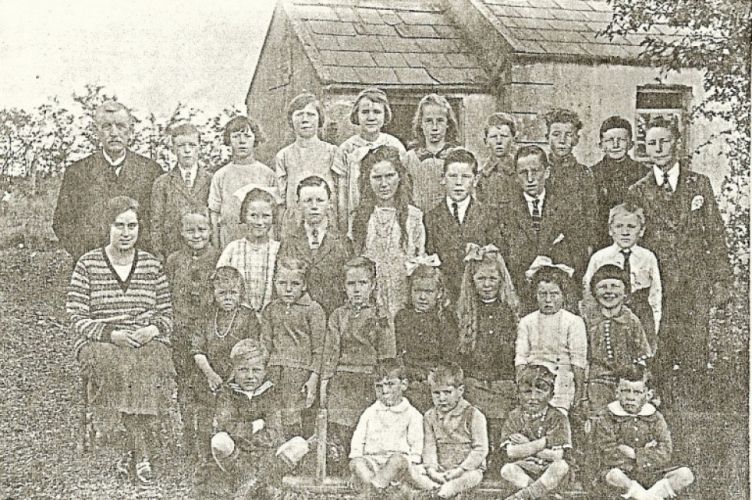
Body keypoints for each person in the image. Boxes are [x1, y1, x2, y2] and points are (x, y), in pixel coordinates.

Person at [66, 196, 173, 484]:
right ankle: (139, 448)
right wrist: (111, 334)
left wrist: (153, 330)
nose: (126, 233)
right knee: (115, 363)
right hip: (102, 338)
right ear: (107, 227)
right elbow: (75, 314)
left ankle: (130, 446)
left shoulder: (151, 265)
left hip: (143, 336)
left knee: (153, 360)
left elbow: (166, 312)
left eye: (132, 226)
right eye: (119, 225)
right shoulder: (88, 264)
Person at [628, 115, 732, 406]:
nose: (658, 148)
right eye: (651, 143)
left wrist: (722, 280)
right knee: (657, 356)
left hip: (694, 286)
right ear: (645, 149)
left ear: (676, 142)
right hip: (656, 289)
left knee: (694, 357)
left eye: (663, 141)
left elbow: (716, 235)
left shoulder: (699, 184)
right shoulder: (638, 190)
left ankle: (692, 424)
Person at [54, 100, 163, 262]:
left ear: (130, 130)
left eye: (120, 126)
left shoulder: (151, 171)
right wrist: (87, 255)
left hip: (138, 265)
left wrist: (142, 255)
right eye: (106, 126)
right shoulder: (77, 172)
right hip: (92, 266)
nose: (113, 133)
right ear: (96, 131)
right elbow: (62, 222)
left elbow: (158, 221)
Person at [321, 256, 393, 471]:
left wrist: (385, 384)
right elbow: (331, 352)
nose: (357, 290)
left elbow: (387, 356)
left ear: (372, 285)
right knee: (339, 424)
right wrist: (325, 382)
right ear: (344, 286)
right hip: (342, 378)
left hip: (370, 379)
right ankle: (340, 464)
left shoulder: (380, 315)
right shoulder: (338, 316)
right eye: (351, 284)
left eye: (362, 283)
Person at [194, 340, 288, 500]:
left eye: (256, 370)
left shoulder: (270, 393)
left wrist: (248, 437)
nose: (250, 376)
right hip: (236, 455)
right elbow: (226, 426)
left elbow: (274, 431)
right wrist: (254, 426)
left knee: (298, 444)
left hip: (264, 455)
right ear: (234, 370)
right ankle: (250, 481)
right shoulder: (227, 393)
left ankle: (257, 482)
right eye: (243, 370)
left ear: (265, 371)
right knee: (219, 441)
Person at [455, 244, 519, 469]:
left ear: (502, 279)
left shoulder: (510, 311)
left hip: (503, 381)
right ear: (472, 280)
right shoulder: (465, 312)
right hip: (475, 381)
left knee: (503, 410)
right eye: (481, 279)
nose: (487, 284)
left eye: (493, 278)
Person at [590, 365, 695, 500]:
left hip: (653, 473)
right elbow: (608, 453)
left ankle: (645, 497)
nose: (630, 397)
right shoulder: (606, 416)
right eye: (625, 391)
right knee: (613, 476)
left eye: (637, 392)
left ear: (648, 395)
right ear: (617, 392)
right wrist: (647, 453)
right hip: (624, 475)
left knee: (685, 475)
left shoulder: (655, 417)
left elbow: (665, 451)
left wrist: (635, 454)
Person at [164, 212, 220, 460]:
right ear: (181, 232)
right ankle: (188, 431)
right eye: (190, 231)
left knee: (207, 384)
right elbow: (167, 294)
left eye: (202, 230)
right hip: (181, 330)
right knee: (185, 383)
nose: (197, 236)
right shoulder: (174, 260)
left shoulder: (217, 257)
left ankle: (205, 436)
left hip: (208, 332)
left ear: (210, 230)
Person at [190, 266, 262, 457]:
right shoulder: (205, 316)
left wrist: (234, 377)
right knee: (205, 412)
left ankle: (236, 452)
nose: (228, 297)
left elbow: (251, 349)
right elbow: (197, 350)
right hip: (208, 375)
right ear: (213, 293)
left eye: (233, 293)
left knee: (234, 414)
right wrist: (211, 375)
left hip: (238, 375)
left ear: (241, 293)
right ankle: (205, 455)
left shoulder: (247, 316)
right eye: (222, 293)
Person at [352, 145, 426, 328]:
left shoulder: (414, 217)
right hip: (371, 302)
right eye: (377, 178)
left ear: (400, 177)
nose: (384, 184)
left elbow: (420, 262)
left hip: (404, 301)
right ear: (367, 181)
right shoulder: (360, 218)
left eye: (389, 176)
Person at [501, 145, 581, 310]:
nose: (530, 178)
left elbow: (576, 251)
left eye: (535, 171)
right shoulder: (505, 210)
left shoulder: (566, 207)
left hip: (558, 294)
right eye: (523, 173)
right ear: (516, 176)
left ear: (547, 172)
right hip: (520, 293)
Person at [425, 147, 505, 302]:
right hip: (445, 299)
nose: (459, 183)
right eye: (453, 176)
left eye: (466, 176)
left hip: (479, 298)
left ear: (475, 180)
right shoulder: (430, 218)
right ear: (443, 178)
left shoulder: (489, 216)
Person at [260, 257, 327, 438]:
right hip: (273, 372)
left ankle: (295, 458)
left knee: (293, 418)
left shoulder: (313, 309)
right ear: (274, 283)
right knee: (273, 416)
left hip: (299, 373)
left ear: (304, 285)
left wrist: (313, 379)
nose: (288, 289)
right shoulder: (271, 309)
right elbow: (265, 344)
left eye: (295, 283)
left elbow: (319, 349)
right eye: (282, 283)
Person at [583, 203, 662, 350]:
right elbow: (588, 293)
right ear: (610, 230)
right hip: (608, 315)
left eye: (631, 227)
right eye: (619, 226)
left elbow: (655, 295)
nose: (625, 232)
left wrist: (653, 327)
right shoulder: (599, 258)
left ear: (642, 230)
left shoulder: (648, 257)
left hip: (641, 316)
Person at [332, 87, 407, 235]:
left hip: (389, 217)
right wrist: (343, 227)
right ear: (356, 115)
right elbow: (342, 194)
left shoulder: (395, 146)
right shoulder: (346, 149)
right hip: (356, 215)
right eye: (365, 112)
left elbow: (403, 187)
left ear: (385, 115)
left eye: (377, 112)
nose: (371, 117)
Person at [515, 263, 587, 413]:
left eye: (554, 294)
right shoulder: (527, 321)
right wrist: (522, 387)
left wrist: (580, 391)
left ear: (563, 295)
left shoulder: (573, 322)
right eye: (543, 294)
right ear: (535, 295)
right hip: (533, 382)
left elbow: (578, 360)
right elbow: (521, 357)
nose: (548, 300)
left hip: (562, 382)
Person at [349, 359, 425, 497]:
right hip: (373, 463)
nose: (384, 391)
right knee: (356, 462)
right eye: (379, 386)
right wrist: (357, 457)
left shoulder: (412, 414)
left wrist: (413, 464)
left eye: (390, 384)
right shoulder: (370, 412)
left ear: (403, 385)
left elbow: (417, 445)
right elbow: (358, 439)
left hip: (397, 467)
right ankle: (377, 490)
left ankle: (371, 493)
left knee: (397, 460)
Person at [278, 175, 352, 315]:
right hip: (298, 321)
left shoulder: (343, 242)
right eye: (307, 201)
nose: (314, 206)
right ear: (298, 203)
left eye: (319, 200)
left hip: (333, 317)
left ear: (329, 203)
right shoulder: (289, 242)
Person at [584, 264, 652, 411]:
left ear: (625, 292)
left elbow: (642, 354)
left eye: (614, 286)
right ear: (594, 292)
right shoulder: (588, 320)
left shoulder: (631, 320)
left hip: (626, 381)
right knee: (599, 415)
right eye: (603, 287)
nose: (609, 292)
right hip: (597, 380)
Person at [395, 257, 458, 412]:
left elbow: (449, 357)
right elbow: (398, 352)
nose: (422, 297)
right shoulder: (402, 317)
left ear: (439, 293)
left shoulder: (444, 319)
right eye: (417, 291)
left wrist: (435, 377)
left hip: (435, 380)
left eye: (428, 292)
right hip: (408, 379)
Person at [499, 364, 572, 500]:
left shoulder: (558, 418)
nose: (533, 397)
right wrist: (544, 443)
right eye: (527, 391)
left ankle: (522, 497)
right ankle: (545, 497)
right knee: (507, 470)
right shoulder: (514, 416)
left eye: (540, 392)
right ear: (518, 394)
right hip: (525, 467)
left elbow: (557, 456)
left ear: (551, 395)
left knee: (561, 466)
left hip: (550, 470)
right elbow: (511, 452)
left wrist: (527, 444)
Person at [417, 362, 489, 499]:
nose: (442, 398)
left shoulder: (473, 415)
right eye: (436, 393)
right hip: (440, 470)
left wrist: (460, 470)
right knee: (417, 474)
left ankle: (441, 495)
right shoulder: (429, 417)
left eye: (447, 392)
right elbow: (429, 447)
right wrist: (432, 471)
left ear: (460, 390)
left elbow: (480, 450)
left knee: (471, 477)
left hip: (466, 470)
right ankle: (435, 490)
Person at [208, 115, 279, 248]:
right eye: (236, 136)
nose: (242, 141)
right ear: (228, 140)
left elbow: (276, 215)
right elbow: (214, 215)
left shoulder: (268, 174)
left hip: (262, 245)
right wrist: (217, 249)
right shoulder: (220, 176)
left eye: (247, 136)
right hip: (229, 241)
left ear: (255, 139)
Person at [275, 92, 341, 235]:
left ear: (319, 119)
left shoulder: (332, 152)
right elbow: (280, 198)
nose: (305, 120)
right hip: (295, 222)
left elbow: (340, 191)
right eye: (299, 114)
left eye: (310, 115)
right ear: (291, 120)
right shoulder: (284, 155)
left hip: (327, 219)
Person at [542, 108, 598, 267]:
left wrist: (588, 246)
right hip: (543, 245)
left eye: (568, 135)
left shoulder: (583, 174)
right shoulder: (538, 170)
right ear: (547, 137)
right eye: (556, 134)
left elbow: (591, 214)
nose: (562, 140)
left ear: (576, 139)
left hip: (574, 248)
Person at [150, 122, 213, 259]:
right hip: (173, 254)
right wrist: (159, 254)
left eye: (192, 145)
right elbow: (156, 224)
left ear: (199, 147)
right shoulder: (162, 183)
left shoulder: (211, 180)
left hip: (205, 255)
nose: (187, 150)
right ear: (173, 149)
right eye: (181, 146)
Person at [216, 188, 281, 314]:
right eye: (253, 216)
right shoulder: (233, 249)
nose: (259, 222)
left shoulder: (279, 249)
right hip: (238, 320)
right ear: (244, 216)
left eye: (266, 216)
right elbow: (219, 285)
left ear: (273, 218)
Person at [591, 116, 647, 246]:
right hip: (602, 240)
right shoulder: (591, 174)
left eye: (621, 140)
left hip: (636, 240)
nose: (615, 145)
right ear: (601, 145)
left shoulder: (643, 173)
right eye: (610, 140)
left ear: (631, 144)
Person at [404, 93, 460, 213]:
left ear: (448, 124)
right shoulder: (409, 158)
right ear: (421, 124)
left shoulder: (457, 155)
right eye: (428, 121)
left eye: (440, 121)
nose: (434, 127)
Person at [476, 112, 518, 207]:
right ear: (486, 141)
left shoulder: (520, 171)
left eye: (504, 136)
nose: (499, 141)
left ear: (513, 140)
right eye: (494, 137)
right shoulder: (480, 174)